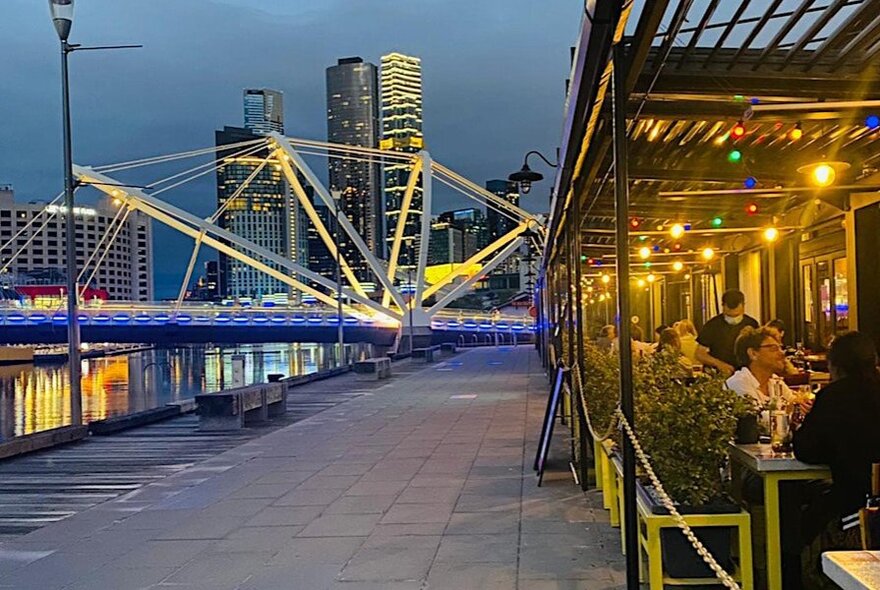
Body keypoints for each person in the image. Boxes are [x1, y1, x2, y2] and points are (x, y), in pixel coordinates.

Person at [791, 332, 880, 586]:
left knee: (805, 511)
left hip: (854, 501)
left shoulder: (834, 397)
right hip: (870, 494)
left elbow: (806, 450)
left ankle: (798, 575)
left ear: (835, 364)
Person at [725, 326, 796, 410]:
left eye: (780, 348)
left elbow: (794, 403)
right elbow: (758, 419)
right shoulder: (738, 383)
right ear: (753, 354)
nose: (782, 353)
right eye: (774, 348)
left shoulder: (774, 381)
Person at [695, 289, 759, 376]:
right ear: (723, 306)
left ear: (743, 305)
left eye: (737, 315)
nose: (733, 318)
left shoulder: (752, 324)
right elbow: (700, 353)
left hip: (745, 374)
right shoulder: (712, 325)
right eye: (729, 315)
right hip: (719, 375)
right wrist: (718, 364)